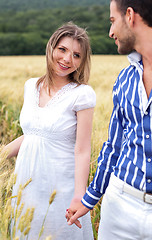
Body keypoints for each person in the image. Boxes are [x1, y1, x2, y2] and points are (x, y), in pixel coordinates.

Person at [66, 1, 152, 239]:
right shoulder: (125, 78)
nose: (110, 32)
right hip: (119, 206)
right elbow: (114, 146)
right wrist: (89, 199)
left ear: (130, 16)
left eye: (113, 21)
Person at [5, 22, 96, 239]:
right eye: (62, 50)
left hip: (61, 188)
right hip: (27, 186)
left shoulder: (82, 94)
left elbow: (82, 149)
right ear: (51, 48)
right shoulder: (30, 86)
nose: (67, 59)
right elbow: (33, 135)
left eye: (76, 55)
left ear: (82, 61)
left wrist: (79, 196)